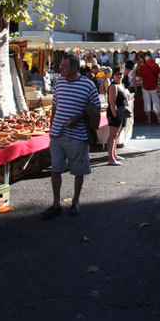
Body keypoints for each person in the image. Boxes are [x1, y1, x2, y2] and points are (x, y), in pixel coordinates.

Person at [42, 53, 101, 218]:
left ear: (74, 68)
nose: (61, 69)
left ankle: (75, 201)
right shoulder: (59, 82)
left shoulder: (87, 85)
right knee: (56, 169)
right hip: (57, 135)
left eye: (64, 66)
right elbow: (55, 105)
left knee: (78, 170)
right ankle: (56, 204)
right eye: (61, 66)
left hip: (77, 135)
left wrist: (79, 117)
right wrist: (52, 126)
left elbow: (95, 108)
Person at [106, 66, 130, 166]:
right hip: (116, 112)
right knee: (112, 135)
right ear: (113, 76)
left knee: (117, 134)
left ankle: (114, 154)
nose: (119, 76)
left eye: (121, 74)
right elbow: (112, 102)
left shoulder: (121, 85)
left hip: (122, 112)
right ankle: (110, 158)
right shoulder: (113, 86)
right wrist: (115, 114)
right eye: (117, 74)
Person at [138, 52, 160, 124]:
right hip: (154, 86)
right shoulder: (155, 65)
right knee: (156, 102)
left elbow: (139, 78)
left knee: (147, 103)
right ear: (151, 58)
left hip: (145, 87)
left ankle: (149, 119)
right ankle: (158, 118)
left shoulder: (142, 66)